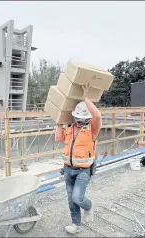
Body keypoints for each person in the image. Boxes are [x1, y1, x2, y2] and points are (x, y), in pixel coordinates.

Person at [55, 82, 102, 234]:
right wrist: (58, 121)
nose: (79, 121)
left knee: (77, 197)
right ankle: (76, 224)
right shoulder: (69, 128)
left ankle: (88, 207)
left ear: (87, 118)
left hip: (83, 171)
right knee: (71, 199)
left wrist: (86, 98)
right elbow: (58, 139)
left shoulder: (92, 130)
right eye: (77, 118)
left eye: (82, 118)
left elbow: (98, 115)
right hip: (68, 169)